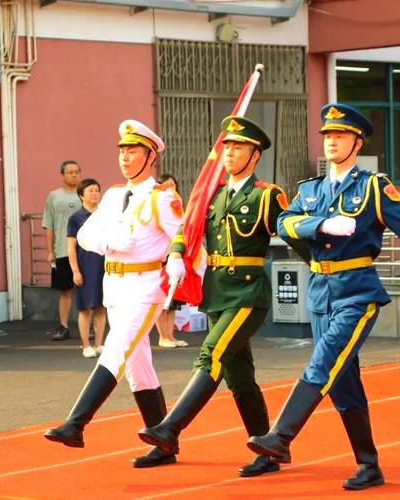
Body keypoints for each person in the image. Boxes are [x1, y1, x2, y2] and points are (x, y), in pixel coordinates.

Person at [246, 104, 400, 490]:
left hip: (357, 291)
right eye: (327, 135)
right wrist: (321, 224)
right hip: (320, 293)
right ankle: (369, 465)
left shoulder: (372, 187)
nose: (332, 141)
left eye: (340, 135)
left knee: (324, 360)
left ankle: (281, 436)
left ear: (357, 142)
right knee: (341, 381)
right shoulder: (309, 189)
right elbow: (284, 223)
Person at [138, 116, 290, 478]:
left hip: (249, 293)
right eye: (227, 146)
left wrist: (323, 260)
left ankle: (169, 428)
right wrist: (176, 253)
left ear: (255, 154)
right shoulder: (214, 193)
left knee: (212, 354)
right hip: (218, 292)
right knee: (240, 378)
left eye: (239, 147)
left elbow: (292, 230)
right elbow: (188, 228)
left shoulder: (267, 195)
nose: (230, 152)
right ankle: (267, 449)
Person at [44, 119, 183, 470]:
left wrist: (180, 264)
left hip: (146, 285)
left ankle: (76, 424)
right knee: (138, 365)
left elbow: (185, 238)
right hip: (116, 284)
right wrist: (112, 242)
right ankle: (164, 441)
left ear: (150, 156)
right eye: (121, 151)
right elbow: (86, 235)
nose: (124, 157)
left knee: (117, 348)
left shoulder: (162, 199)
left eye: (132, 151)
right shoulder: (113, 195)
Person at [67, 178, 107, 358]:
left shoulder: (105, 216)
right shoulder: (75, 218)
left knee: (101, 307)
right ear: (81, 195)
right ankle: (86, 345)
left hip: (104, 266)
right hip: (85, 266)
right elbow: (71, 247)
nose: (95, 194)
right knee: (85, 308)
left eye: (97, 190)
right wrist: (75, 270)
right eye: (90, 190)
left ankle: (99, 344)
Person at [43, 160, 82, 341]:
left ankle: (88, 327)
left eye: (77, 172)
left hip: (84, 250)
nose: (74, 175)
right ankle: (64, 326)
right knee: (65, 290)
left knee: (86, 289)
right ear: (62, 174)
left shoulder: (85, 193)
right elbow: (48, 225)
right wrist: (50, 251)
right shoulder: (54, 196)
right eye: (70, 172)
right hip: (62, 249)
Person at [155, 173, 188, 348]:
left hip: (174, 257)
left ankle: (171, 335)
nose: (170, 189)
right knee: (162, 299)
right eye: (166, 186)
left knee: (173, 299)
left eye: (172, 185)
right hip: (162, 258)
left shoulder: (178, 208)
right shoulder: (156, 207)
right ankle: (163, 336)